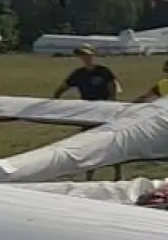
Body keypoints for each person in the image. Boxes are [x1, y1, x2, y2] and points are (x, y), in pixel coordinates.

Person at [51, 45, 122, 180]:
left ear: (93, 55)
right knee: (90, 144)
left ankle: (117, 174)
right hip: (88, 114)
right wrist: (55, 100)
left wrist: (112, 105)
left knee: (111, 142)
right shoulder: (79, 74)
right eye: (82, 56)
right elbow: (63, 86)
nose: (86, 58)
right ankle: (89, 175)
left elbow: (112, 86)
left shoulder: (103, 71)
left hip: (104, 111)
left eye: (88, 55)